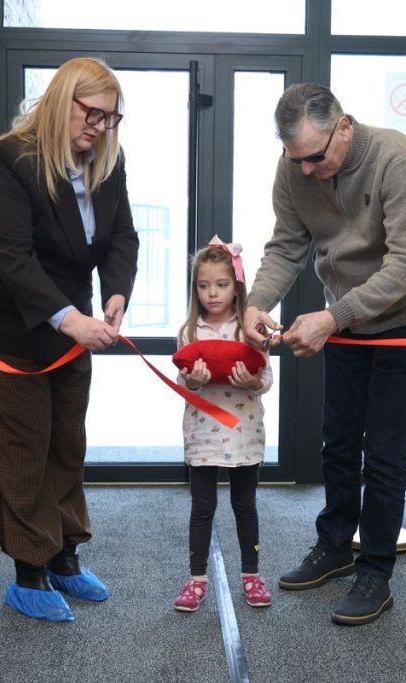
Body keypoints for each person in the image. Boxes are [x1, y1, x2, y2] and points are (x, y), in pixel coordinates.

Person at [243, 83, 406, 626]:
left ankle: (374, 574)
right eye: (295, 158)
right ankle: (334, 546)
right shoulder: (294, 169)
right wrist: (255, 303)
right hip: (349, 323)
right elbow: (287, 245)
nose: (306, 170)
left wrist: (333, 317)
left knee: (382, 453)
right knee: (337, 442)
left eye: (316, 156)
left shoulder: (397, 159)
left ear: (345, 126)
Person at [0, 57, 139, 622]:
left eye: (111, 118)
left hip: (70, 330)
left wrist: (115, 294)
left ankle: (64, 556)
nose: (100, 128)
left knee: (66, 442)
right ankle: (28, 571)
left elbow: (122, 236)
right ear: (63, 100)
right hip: (9, 331)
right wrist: (69, 319)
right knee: (23, 444)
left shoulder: (107, 162)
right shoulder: (11, 161)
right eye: (92, 113)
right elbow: (14, 258)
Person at [173, 237, 273, 612]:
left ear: (236, 287)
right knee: (202, 507)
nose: (212, 293)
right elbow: (184, 383)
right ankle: (196, 578)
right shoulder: (189, 332)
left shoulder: (250, 329)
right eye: (203, 285)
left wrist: (253, 382)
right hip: (202, 435)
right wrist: (194, 381)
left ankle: (252, 574)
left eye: (221, 284)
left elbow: (266, 378)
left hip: (244, 432)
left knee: (244, 504)